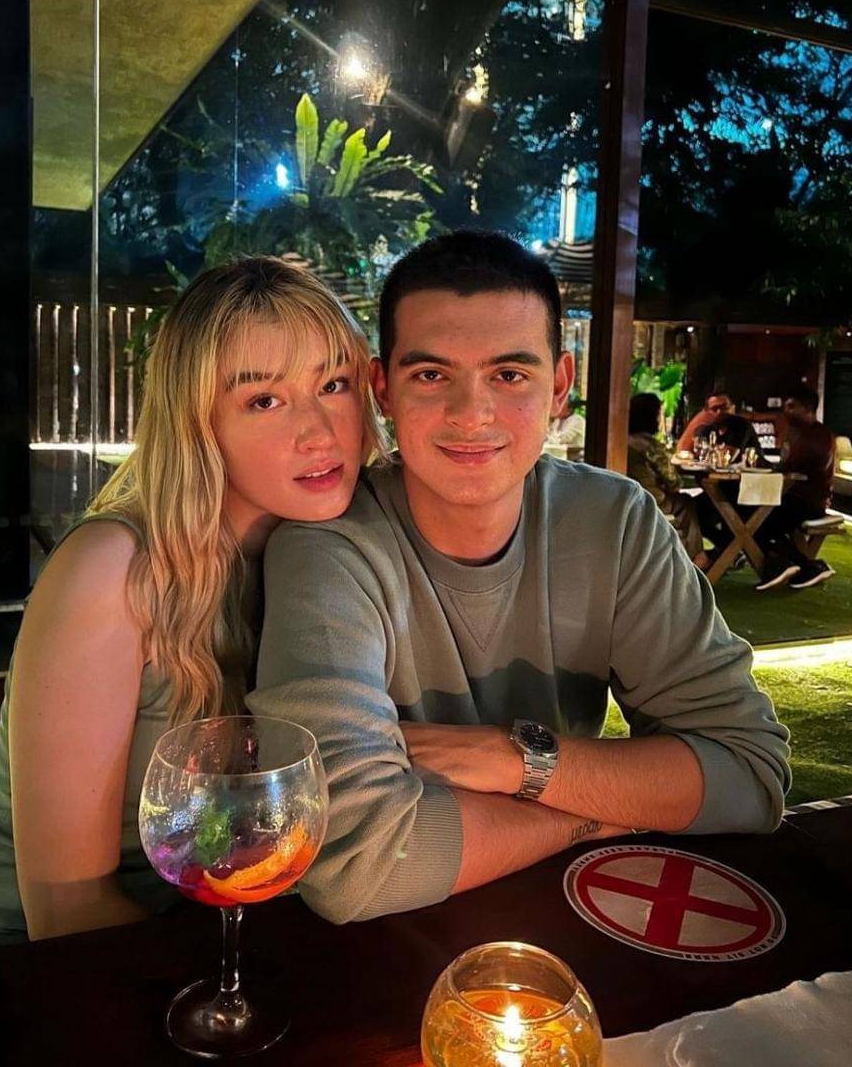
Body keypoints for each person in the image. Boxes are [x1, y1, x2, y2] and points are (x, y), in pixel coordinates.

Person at [248, 230, 790, 925]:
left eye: (509, 375)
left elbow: (748, 775)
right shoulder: (329, 547)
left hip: (573, 924)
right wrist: (598, 810)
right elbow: (354, 865)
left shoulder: (613, 521)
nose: (470, 414)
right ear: (383, 389)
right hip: (393, 944)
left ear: (559, 386)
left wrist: (518, 762)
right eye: (431, 375)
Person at [0, 257, 382, 964]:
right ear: (197, 424)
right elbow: (65, 908)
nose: (319, 432)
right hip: (2, 962)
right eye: (263, 400)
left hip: (194, 943)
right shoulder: (113, 569)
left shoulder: (336, 559)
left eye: (333, 385)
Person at [755, 385, 836, 591]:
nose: (785, 411)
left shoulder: (818, 435)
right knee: (753, 517)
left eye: (791, 407)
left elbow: (797, 466)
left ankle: (798, 566)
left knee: (756, 519)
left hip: (807, 503)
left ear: (807, 408)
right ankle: (794, 566)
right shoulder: (802, 434)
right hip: (793, 498)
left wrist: (774, 468)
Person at [627, 392, 706, 567]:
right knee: (686, 502)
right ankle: (696, 557)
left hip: (629, 497)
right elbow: (674, 483)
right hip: (652, 500)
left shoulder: (621, 441)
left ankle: (689, 554)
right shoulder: (650, 445)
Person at [677, 393, 764, 461]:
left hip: (754, 475)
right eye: (715, 409)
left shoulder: (742, 425)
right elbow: (691, 453)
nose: (719, 412)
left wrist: (710, 452)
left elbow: (726, 457)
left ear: (733, 408)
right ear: (707, 412)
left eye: (724, 407)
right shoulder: (707, 429)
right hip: (723, 475)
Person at [547, 392, 586, 457]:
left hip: (574, 457)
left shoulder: (576, 419)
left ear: (569, 410)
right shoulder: (558, 420)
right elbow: (548, 436)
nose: (557, 408)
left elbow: (563, 438)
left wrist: (551, 436)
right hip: (560, 454)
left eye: (561, 406)